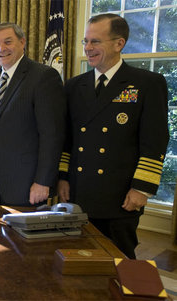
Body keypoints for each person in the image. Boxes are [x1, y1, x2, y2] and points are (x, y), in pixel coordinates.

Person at [57, 14, 169, 259]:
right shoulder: (75, 86)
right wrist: (63, 177)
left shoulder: (146, 84)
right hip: (79, 192)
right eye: (86, 41)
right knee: (78, 261)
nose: (88, 48)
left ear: (119, 43)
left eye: (95, 41)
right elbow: (68, 139)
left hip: (119, 196)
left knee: (120, 261)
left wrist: (142, 188)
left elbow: (155, 140)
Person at [0, 22, 66, 206]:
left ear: (22, 42)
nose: (1, 49)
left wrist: (43, 181)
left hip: (26, 182)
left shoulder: (43, 77)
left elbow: (51, 135)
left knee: (21, 235)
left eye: (8, 42)